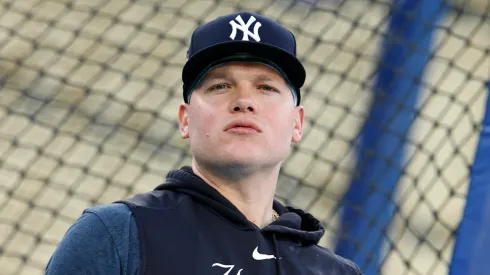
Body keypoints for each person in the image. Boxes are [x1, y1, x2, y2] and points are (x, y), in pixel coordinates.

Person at [45, 11, 363, 275]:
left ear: (297, 123)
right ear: (185, 119)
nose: (244, 101)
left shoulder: (336, 271)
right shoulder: (118, 234)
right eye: (220, 85)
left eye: (266, 87)